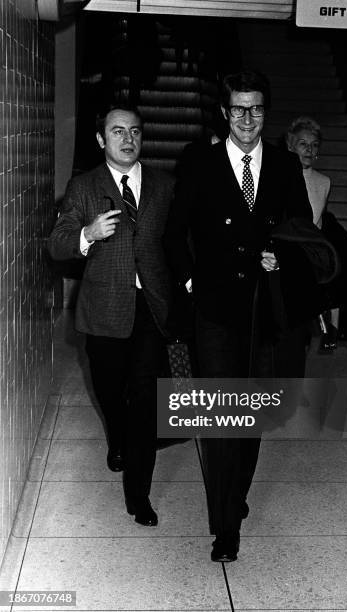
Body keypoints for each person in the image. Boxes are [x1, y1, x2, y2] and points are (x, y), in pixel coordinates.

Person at [163, 71, 313, 562]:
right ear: (224, 113)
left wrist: (280, 259)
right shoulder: (200, 162)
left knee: (250, 418)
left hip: (263, 310)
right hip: (215, 310)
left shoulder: (287, 165)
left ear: (265, 113)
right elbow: (174, 233)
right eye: (239, 109)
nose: (248, 119)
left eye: (257, 109)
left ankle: (234, 495)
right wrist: (190, 282)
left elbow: (302, 234)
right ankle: (226, 526)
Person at [48, 105, 174, 527]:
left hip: (150, 308)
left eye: (135, 131)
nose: (128, 139)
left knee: (146, 400)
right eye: (117, 131)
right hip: (103, 309)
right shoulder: (83, 187)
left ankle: (139, 496)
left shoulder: (164, 185)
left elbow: (178, 242)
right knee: (109, 389)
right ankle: (116, 435)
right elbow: (58, 244)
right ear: (102, 140)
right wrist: (88, 234)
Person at [286, 116, 347, 351]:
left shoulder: (324, 181)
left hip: (313, 248)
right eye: (303, 144)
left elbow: (319, 218)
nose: (309, 150)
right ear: (290, 146)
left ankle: (331, 327)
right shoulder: (280, 177)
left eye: (314, 145)